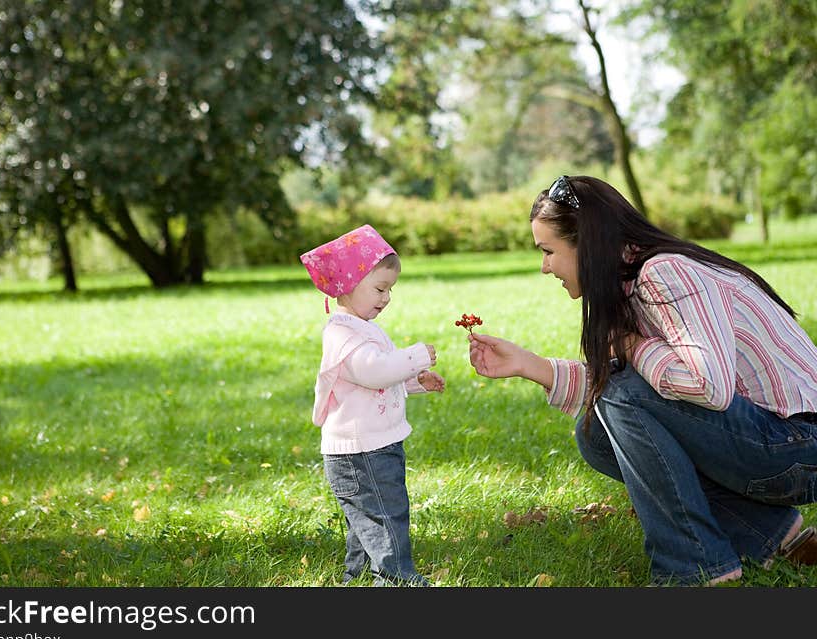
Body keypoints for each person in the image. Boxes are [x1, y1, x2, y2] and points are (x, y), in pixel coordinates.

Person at [468, 175, 817, 586]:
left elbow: (709, 387)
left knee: (619, 395)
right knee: (596, 435)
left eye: (548, 251)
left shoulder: (664, 272)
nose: (544, 267)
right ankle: (771, 535)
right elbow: (636, 401)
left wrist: (632, 347)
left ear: (588, 243)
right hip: (767, 441)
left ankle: (693, 568)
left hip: (798, 447)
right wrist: (529, 364)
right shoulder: (627, 286)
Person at [300, 224, 445, 586]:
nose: (387, 298)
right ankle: (397, 579)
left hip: (370, 446)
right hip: (361, 452)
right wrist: (415, 358)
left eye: (390, 290)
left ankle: (360, 574)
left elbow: (374, 383)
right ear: (348, 284)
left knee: (367, 518)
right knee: (385, 515)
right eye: (380, 288)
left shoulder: (362, 327)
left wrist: (414, 380)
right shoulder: (343, 333)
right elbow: (372, 371)